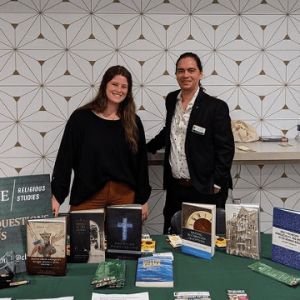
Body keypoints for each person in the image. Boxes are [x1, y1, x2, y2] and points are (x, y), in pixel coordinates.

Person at [147, 52, 235, 233]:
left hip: (205, 187)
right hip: (175, 186)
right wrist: (145, 148)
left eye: (191, 70)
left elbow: (226, 149)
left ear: (200, 74)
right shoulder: (172, 100)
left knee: (202, 238)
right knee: (171, 235)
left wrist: (217, 184)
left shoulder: (215, 107)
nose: (185, 75)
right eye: (181, 71)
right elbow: (169, 130)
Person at [51, 65, 151, 222]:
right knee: (83, 244)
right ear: (105, 85)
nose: (119, 90)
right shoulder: (81, 118)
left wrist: (143, 199)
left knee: (122, 245)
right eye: (115, 84)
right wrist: (56, 195)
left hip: (124, 196)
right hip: (88, 194)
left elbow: (141, 164)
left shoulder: (133, 122)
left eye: (124, 86)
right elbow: (65, 158)